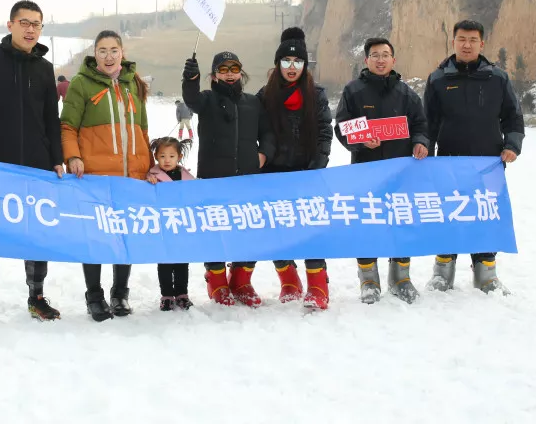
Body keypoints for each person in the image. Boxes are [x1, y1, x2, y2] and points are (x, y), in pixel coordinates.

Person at [0, 0, 65, 329]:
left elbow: (51, 118)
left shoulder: (44, 68)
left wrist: (56, 158)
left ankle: (36, 296)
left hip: (36, 165)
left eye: (37, 23)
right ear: (10, 25)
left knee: (36, 234)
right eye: (25, 22)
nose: (31, 28)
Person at [424, 19, 524, 293]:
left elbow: (513, 117)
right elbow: (428, 123)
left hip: (488, 162)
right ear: (453, 42)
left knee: (486, 214)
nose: (466, 45)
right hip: (448, 161)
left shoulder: (497, 78)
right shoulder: (438, 78)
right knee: (449, 213)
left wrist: (512, 145)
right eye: (461, 39)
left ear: (482, 44)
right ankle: (443, 270)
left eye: (472, 40)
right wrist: (425, 152)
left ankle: (486, 273)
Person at [61, 31, 152, 321]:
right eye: (102, 51)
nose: (109, 56)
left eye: (114, 50)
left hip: (131, 176)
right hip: (95, 176)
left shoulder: (133, 85)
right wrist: (73, 156)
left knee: (124, 237)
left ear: (122, 52)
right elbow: (67, 127)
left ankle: (120, 294)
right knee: (96, 237)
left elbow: (142, 129)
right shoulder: (81, 84)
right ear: (95, 54)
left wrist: (149, 164)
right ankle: (94, 296)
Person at [335, 37, 429, 304]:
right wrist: (359, 140)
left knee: (401, 222)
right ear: (366, 60)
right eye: (374, 55)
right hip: (365, 170)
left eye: (385, 55)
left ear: (393, 60)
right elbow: (342, 126)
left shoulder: (407, 94)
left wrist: (420, 142)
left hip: (401, 173)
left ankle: (400, 278)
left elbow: (421, 125)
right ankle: (369, 280)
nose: (380, 59)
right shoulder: (353, 91)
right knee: (368, 224)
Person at [182, 50, 273, 307]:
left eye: (234, 69)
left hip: (247, 178)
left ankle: (241, 280)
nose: (229, 74)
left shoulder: (252, 102)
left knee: (248, 230)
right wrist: (191, 79)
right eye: (223, 70)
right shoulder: (207, 100)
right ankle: (217, 281)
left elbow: (267, 133)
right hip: (214, 178)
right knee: (216, 229)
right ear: (214, 75)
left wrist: (263, 154)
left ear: (241, 73)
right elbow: (191, 99)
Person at [257, 27, 334, 309]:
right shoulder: (265, 95)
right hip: (274, 174)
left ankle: (318, 286)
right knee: (278, 230)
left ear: (305, 65)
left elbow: (325, 133)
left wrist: (316, 167)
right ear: (278, 64)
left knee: (310, 231)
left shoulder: (316, 95)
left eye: (298, 62)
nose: (292, 68)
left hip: (308, 172)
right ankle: (289, 280)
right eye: (286, 62)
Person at [147, 137, 195, 311]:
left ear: (179, 157)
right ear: (156, 157)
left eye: (171, 156)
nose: (167, 160)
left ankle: (182, 294)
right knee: (165, 262)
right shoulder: (152, 177)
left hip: (181, 227)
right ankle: (166, 295)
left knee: (182, 262)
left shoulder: (187, 177)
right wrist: (148, 181)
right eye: (162, 156)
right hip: (163, 228)